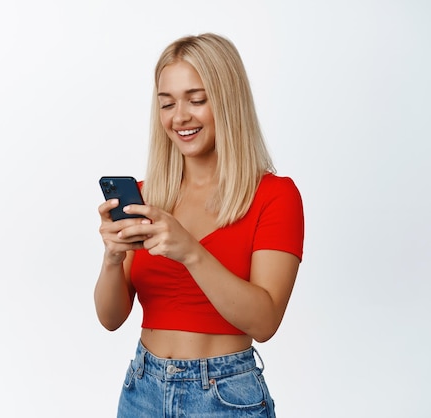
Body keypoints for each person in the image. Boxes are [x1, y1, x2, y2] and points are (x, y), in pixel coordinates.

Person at [94, 33, 304, 417]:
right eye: (167, 103)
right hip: (142, 389)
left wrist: (191, 251)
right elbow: (110, 319)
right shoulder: (147, 195)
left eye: (197, 99)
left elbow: (265, 321)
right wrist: (111, 258)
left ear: (227, 101)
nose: (180, 117)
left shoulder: (275, 196)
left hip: (224, 397)